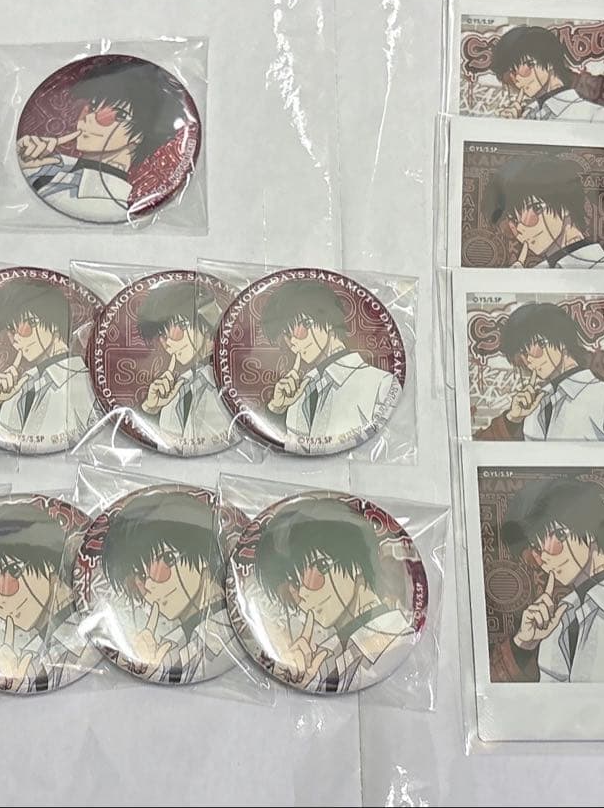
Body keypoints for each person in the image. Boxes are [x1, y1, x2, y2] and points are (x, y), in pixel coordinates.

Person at [494, 477, 604, 683]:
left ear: (587, 528)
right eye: (535, 549)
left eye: (555, 539)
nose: (544, 558)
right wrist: (523, 643)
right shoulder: (557, 622)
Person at [254, 498, 415, 693]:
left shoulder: (397, 639)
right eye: (294, 586)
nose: (303, 594)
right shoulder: (325, 657)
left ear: (356, 561)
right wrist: (305, 678)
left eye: (316, 571)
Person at [0, 502, 92, 692]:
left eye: (11, 573)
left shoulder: (91, 626)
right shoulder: (31, 651)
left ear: (49, 559)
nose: (0, 601)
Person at [17, 59, 188, 222]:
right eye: (91, 107)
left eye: (119, 115)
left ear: (140, 135)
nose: (90, 118)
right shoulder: (50, 163)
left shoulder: (102, 204)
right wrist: (29, 164)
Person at [101, 491, 232, 684]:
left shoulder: (230, 632)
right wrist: (151, 662)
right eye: (141, 578)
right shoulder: (170, 644)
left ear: (205, 550)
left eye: (165, 562)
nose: (150, 586)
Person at [260, 281, 401, 451]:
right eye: (287, 337)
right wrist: (276, 410)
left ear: (327, 320)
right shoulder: (300, 393)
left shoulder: (382, 383)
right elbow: (291, 447)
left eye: (299, 330)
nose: (294, 344)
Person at [476, 302, 604, 442]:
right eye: (522, 354)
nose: (529, 360)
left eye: (535, 348)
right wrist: (512, 419)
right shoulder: (535, 407)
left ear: (562, 340)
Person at [0, 279, 98, 450]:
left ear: (54, 323)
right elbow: (1, 442)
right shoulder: (20, 385)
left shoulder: (84, 383)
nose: (16, 339)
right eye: (11, 331)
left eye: (25, 327)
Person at [136, 281, 230, 451]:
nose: (168, 344)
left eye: (176, 330)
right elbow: (166, 446)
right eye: (162, 335)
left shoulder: (231, 382)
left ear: (204, 321)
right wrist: (150, 409)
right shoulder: (176, 389)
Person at [481, 155, 604, 268]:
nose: (520, 229)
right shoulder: (533, 274)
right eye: (514, 221)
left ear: (565, 206)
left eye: (534, 209)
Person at [489, 26, 604, 122]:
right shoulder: (526, 116)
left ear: (549, 63)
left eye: (523, 69)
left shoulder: (594, 115)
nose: (517, 79)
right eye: (511, 74)